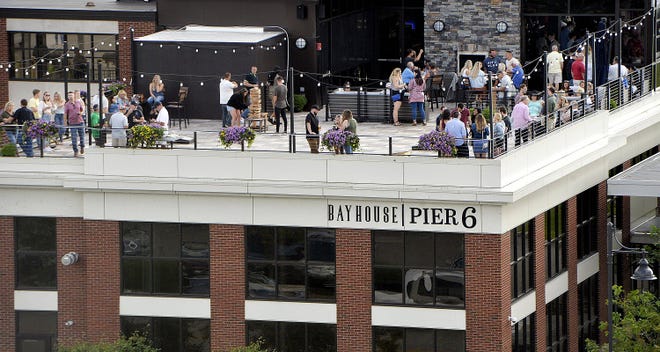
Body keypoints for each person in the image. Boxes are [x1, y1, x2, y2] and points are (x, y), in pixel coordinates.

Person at [64, 91, 85, 157]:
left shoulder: (78, 102)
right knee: (73, 137)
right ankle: (75, 151)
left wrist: (81, 113)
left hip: (80, 122)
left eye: (71, 95)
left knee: (82, 136)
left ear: (74, 96)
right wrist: (65, 122)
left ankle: (82, 146)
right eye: (69, 95)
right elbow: (65, 114)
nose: (70, 96)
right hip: (72, 123)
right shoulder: (67, 104)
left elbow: (82, 110)